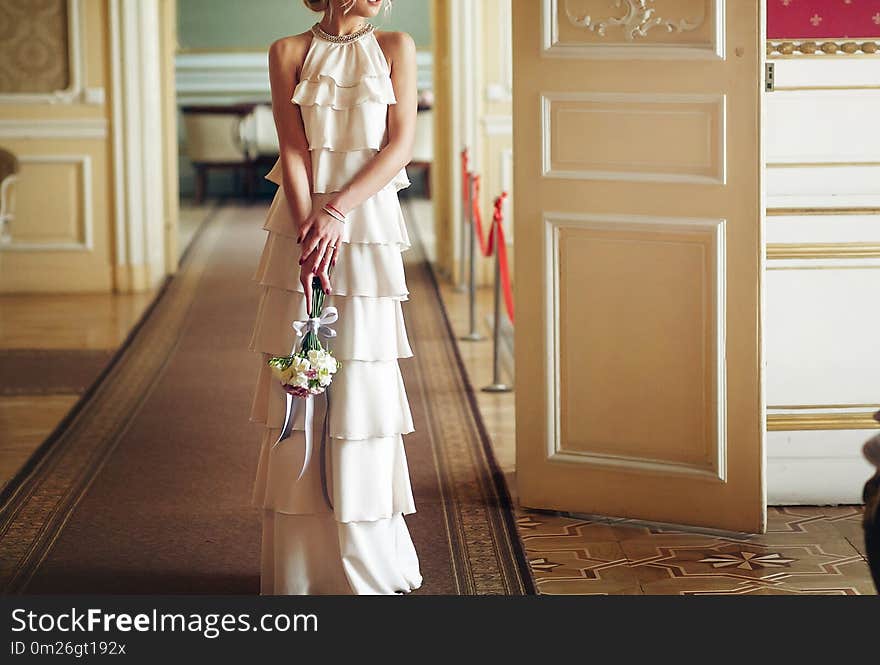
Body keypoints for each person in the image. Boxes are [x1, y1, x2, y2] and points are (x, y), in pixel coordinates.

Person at [247, 0, 421, 594]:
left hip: (366, 229)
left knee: (362, 385)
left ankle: (367, 558)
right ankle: (305, 566)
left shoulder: (397, 47)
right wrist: (309, 232)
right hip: (301, 229)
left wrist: (338, 212)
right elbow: (292, 150)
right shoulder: (287, 52)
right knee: (303, 381)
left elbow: (399, 147)